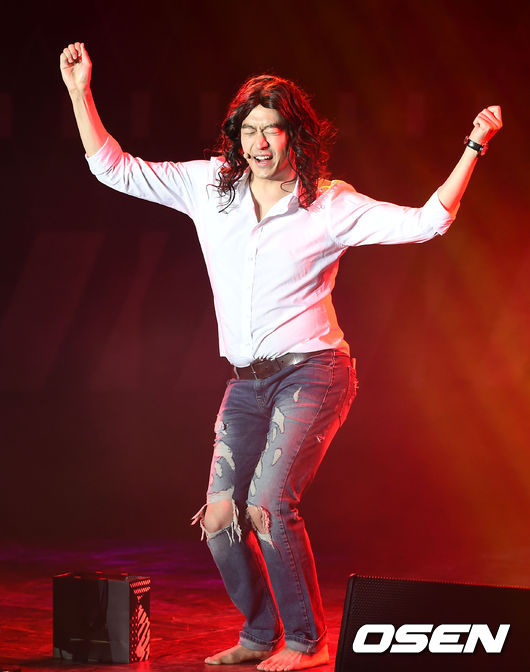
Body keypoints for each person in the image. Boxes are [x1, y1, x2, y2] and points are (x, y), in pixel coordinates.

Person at [60, 41, 502, 671]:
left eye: (272, 129)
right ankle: (259, 633)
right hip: (246, 382)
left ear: (297, 136)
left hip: (315, 374)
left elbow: (428, 222)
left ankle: (306, 641)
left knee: (267, 506)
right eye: (249, 130)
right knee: (220, 518)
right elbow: (114, 168)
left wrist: (474, 146)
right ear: (235, 137)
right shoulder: (208, 188)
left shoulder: (330, 204)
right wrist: (80, 92)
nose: (259, 143)